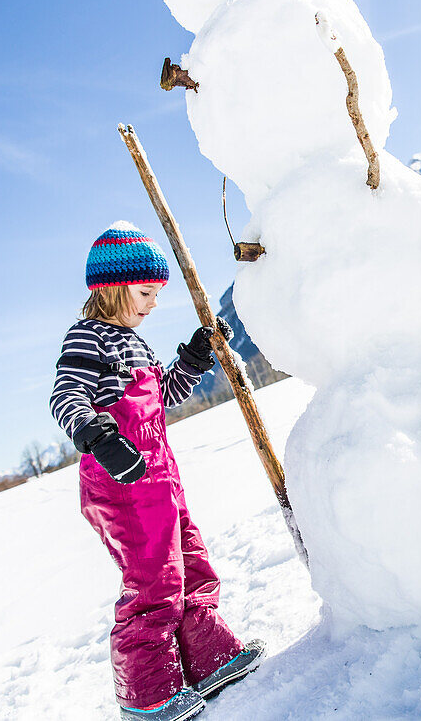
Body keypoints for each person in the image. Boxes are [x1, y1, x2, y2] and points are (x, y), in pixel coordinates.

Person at [50, 223, 265, 720]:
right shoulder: (88, 338)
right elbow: (67, 395)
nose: (152, 303)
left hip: (160, 475)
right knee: (152, 582)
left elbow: (163, 397)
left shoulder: (135, 344)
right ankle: (145, 694)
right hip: (119, 480)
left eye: (157, 294)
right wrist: (100, 438)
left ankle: (208, 655)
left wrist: (192, 358)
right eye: (146, 292)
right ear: (111, 288)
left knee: (191, 562)